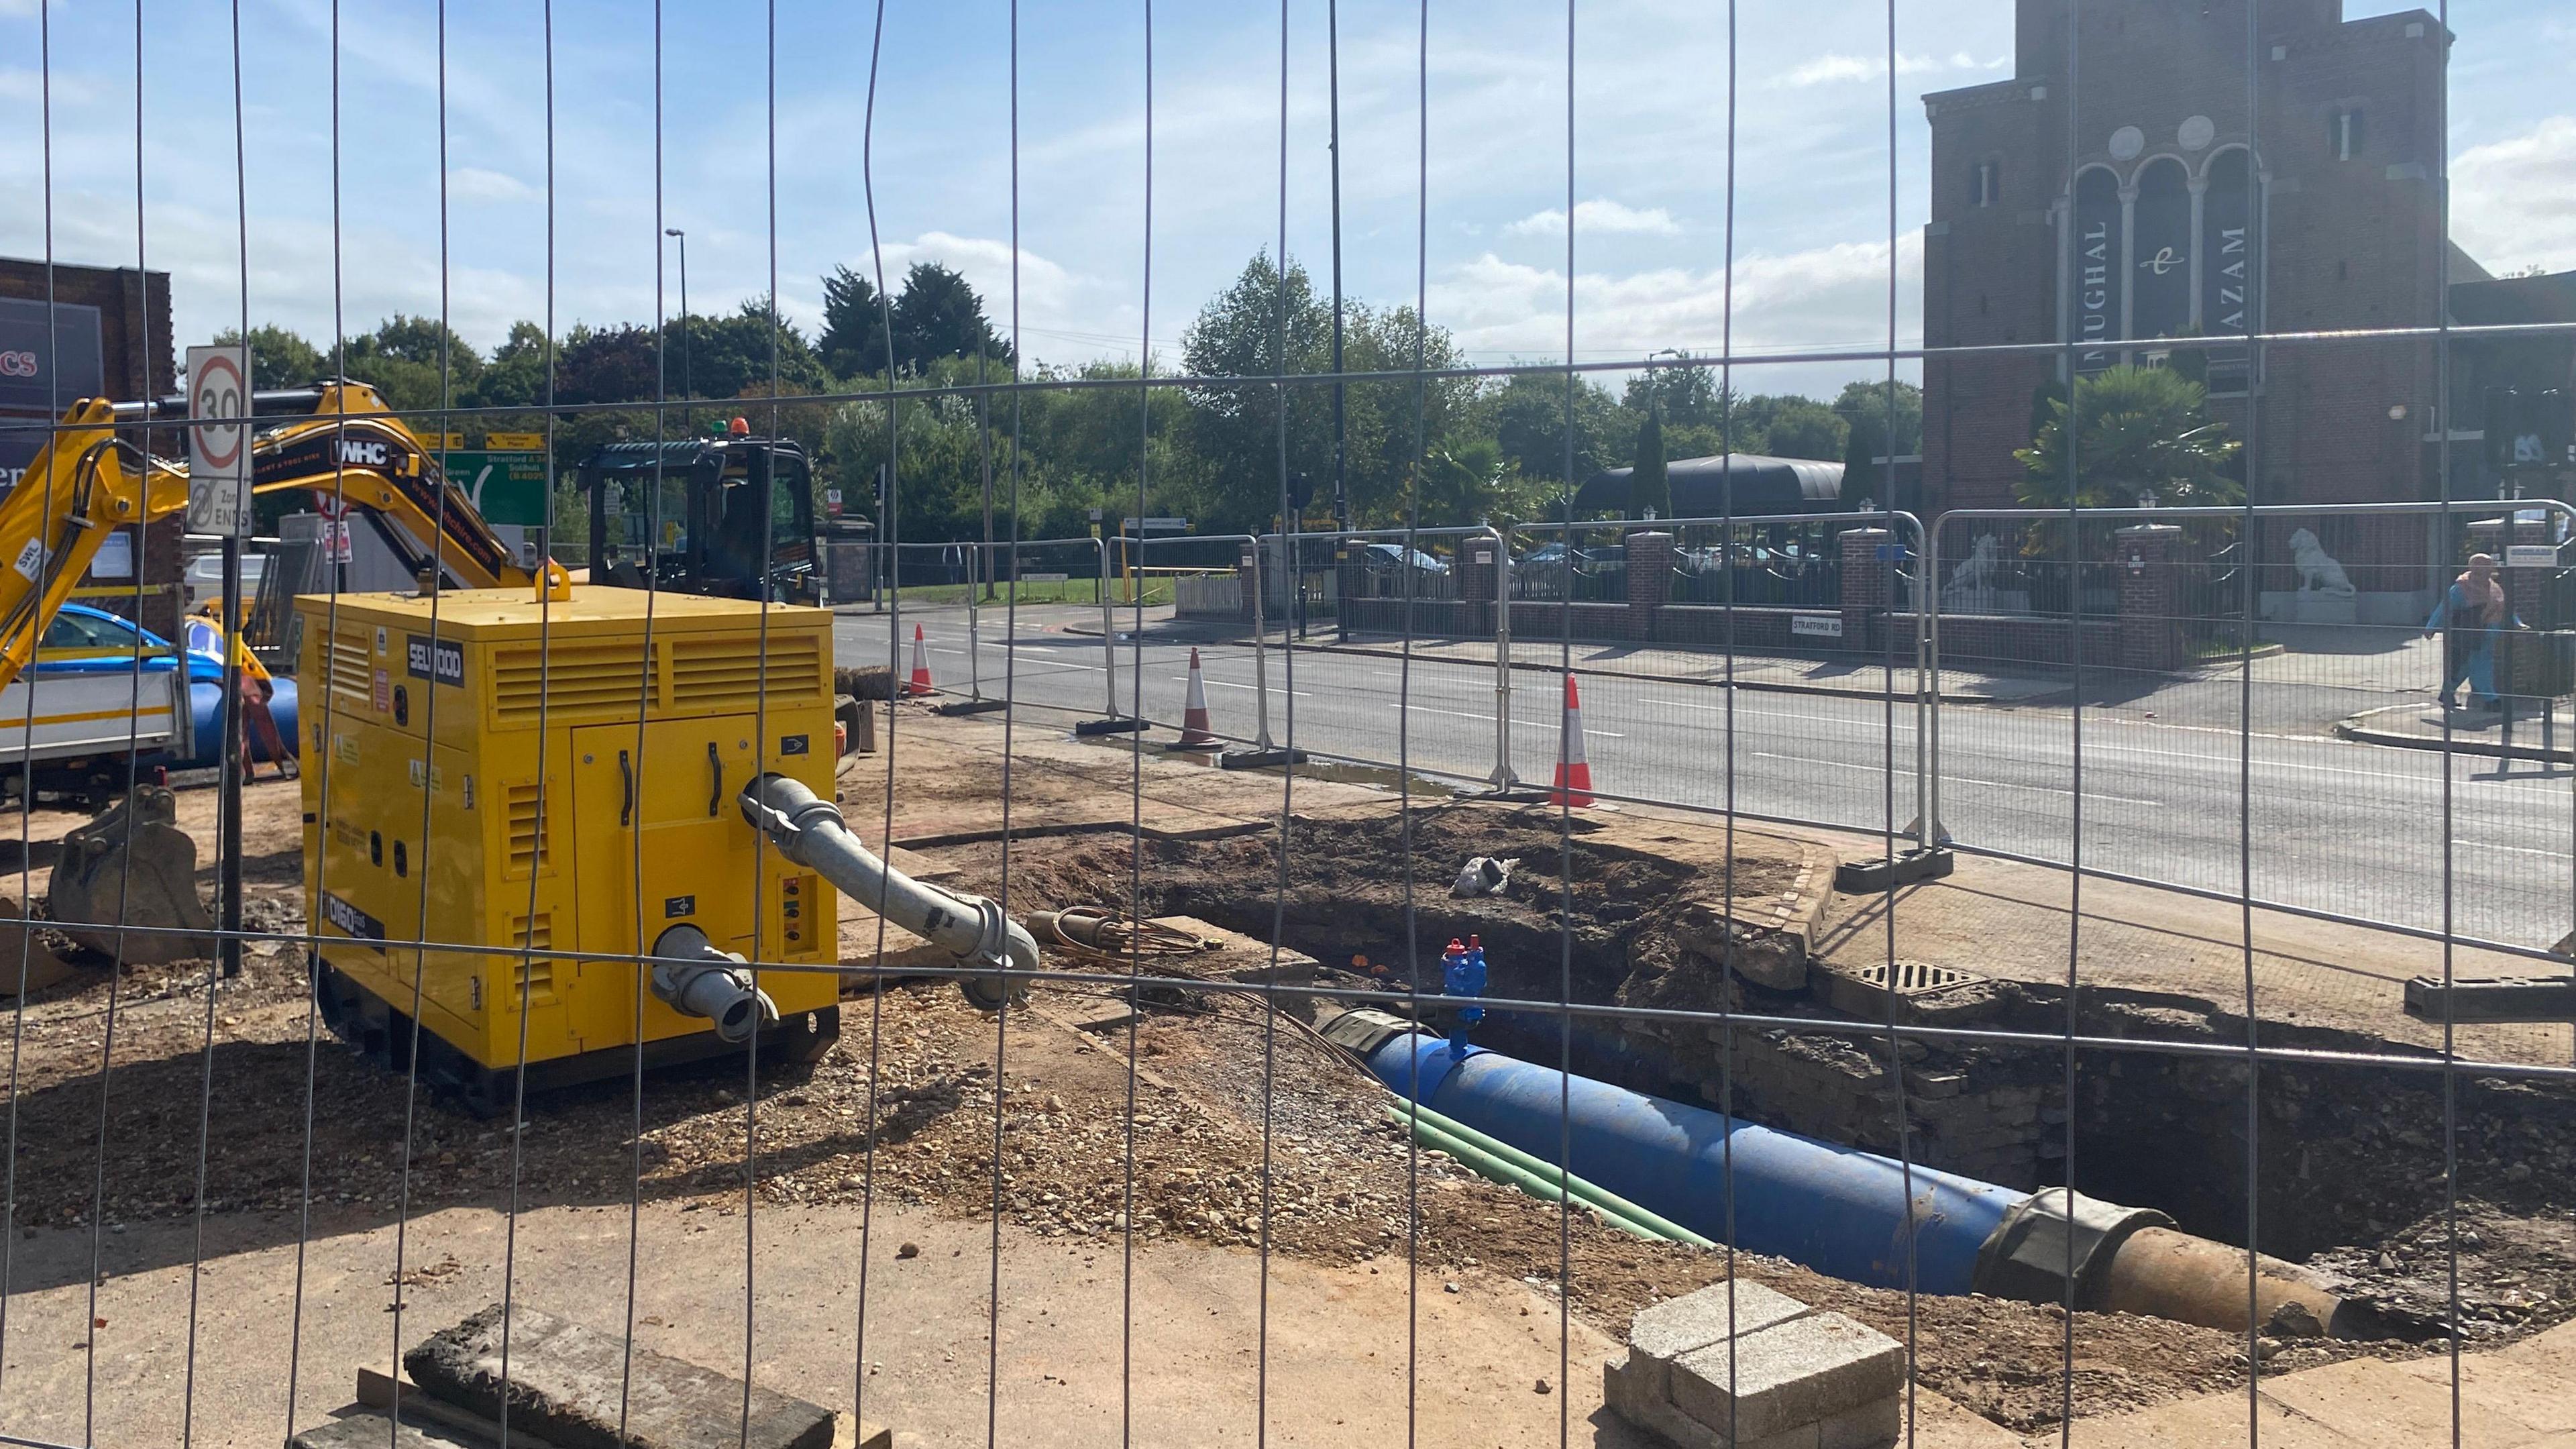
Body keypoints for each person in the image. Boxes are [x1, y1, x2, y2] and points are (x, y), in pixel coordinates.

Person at [2424, 553, 2526, 714]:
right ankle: (2491, 699)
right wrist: (2431, 627)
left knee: (2465, 666)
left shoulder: (2494, 588)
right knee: (2480, 664)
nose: (2482, 569)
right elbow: (2445, 608)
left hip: (2489, 634)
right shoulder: (2462, 588)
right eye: (2478, 565)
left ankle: (2447, 692)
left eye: (2486, 566)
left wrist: (2517, 622)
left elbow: (2504, 608)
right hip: (2471, 633)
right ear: (2471, 567)